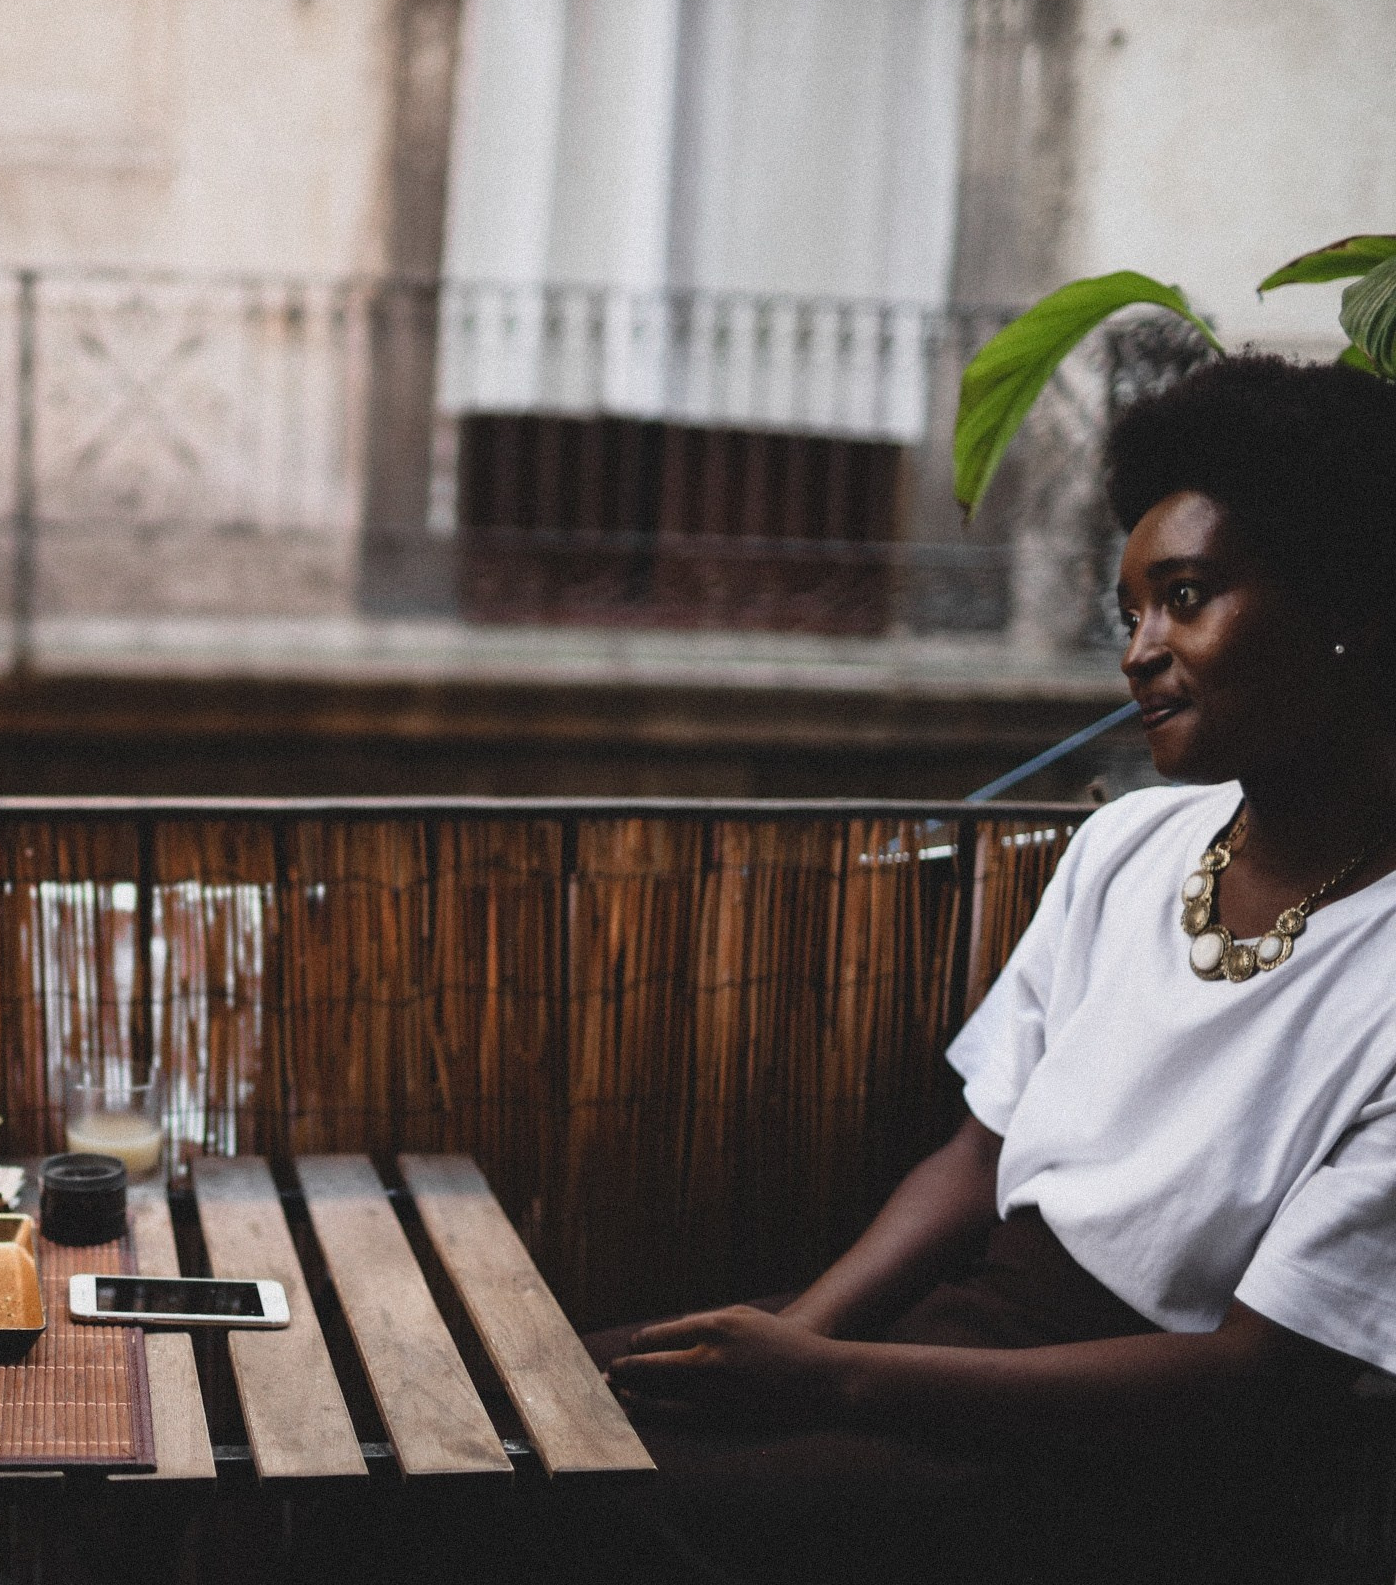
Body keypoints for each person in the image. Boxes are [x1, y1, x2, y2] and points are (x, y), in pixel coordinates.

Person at [590, 355, 1396, 1585]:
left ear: (1348, 604)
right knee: (536, 1406)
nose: (1141, 651)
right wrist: (793, 1339)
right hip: (963, 1339)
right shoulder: (1130, 845)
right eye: (1130, 612)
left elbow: (1251, 1379)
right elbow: (975, 1158)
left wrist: (834, 1379)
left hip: (1139, 1462)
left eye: (1186, 597)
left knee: (603, 1508)